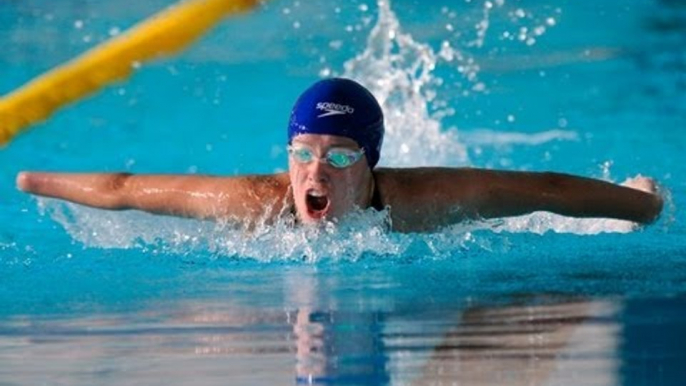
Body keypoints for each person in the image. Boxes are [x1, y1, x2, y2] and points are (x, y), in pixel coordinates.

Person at [16, 78, 663, 232]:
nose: (316, 171)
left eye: (340, 157)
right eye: (303, 153)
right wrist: (32, 179)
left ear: (371, 163)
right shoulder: (259, 203)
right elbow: (126, 186)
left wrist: (640, 206)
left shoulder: (421, 201)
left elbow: (543, 188)